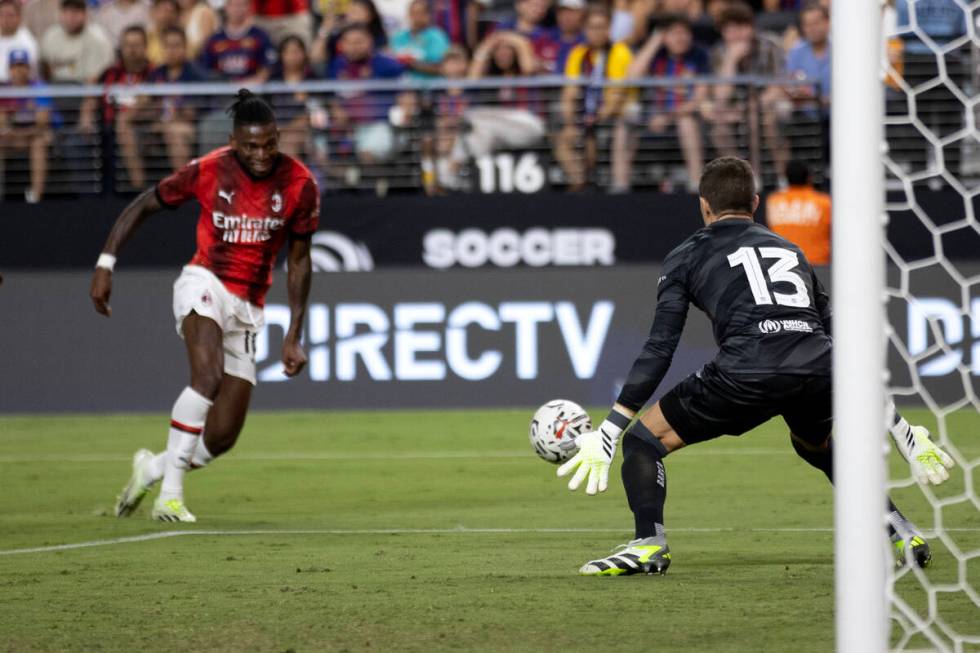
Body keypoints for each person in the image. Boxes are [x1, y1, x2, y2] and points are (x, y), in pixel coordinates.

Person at [554, 157, 955, 576]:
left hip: (747, 372)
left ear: (704, 205)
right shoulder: (790, 250)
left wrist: (611, 428)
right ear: (756, 203)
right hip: (818, 370)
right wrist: (902, 429)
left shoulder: (687, 255)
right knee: (815, 446)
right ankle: (900, 529)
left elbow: (660, 347)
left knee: (643, 441)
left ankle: (647, 545)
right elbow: (845, 344)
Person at [93, 89, 319, 523]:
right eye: (251, 145)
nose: (261, 153)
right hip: (205, 282)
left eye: (269, 143)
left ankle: (153, 468)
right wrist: (106, 263)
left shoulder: (299, 185)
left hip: (249, 304)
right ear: (234, 141)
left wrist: (294, 334)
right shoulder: (210, 170)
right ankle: (170, 498)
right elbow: (145, 204)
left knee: (221, 437)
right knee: (207, 377)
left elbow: (300, 259)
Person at [628, 14, 710, 191]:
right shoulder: (656, 55)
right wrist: (655, 41)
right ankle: (620, 185)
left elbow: (698, 99)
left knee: (686, 122)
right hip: (652, 115)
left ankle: (696, 183)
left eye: (684, 33)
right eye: (673, 33)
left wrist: (668, 116)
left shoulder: (699, 55)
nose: (680, 38)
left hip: (687, 115)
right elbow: (631, 77)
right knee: (623, 125)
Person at [709, 2, 788, 185]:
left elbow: (780, 86)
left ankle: (783, 177)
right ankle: (743, 176)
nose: (737, 35)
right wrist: (731, 60)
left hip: (770, 104)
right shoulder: (719, 52)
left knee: (761, 118)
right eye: (730, 30)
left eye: (742, 27)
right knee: (718, 130)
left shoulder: (769, 46)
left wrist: (753, 106)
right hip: (735, 108)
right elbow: (721, 96)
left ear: (751, 27)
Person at [555, 5, 632, 192]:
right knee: (563, 139)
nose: (597, 32)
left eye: (601, 27)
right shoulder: (578, 54)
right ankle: (581, 183)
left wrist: (595, 117)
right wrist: (570, 119)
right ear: (585, 29)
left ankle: (586, 186)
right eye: (592, 27)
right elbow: (570, 92)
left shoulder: (620, 52)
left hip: (613, 115)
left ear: (608, 29)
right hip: (585, 115)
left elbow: (617, 95)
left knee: (589, 135)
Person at [79, 25, 151, 189]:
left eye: (137, 45)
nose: (132, 50)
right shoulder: (110, 73)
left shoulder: (154, 72)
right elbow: (92, 96)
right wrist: (86, 117)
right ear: (121, 48)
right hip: (106, 126)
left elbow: (155, 102)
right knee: (77, 140)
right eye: (128, 45)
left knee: (123, 129)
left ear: (145, 47)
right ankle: (89, 200)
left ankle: (140, 190)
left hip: (142, 126)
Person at [326, 23, 404, 164]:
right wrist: (336, 109)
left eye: (358, 41)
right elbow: (332, 97)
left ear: (370, 41)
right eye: (348, 42)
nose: (353, 47)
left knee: (369, 152)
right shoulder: (336, 65)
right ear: (342, 44)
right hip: (347, 127)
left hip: (378, 124)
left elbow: (405, 93)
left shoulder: (388, 64)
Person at [147, 26, 206, 171]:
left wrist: (166, 121)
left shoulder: (196, 74)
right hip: (160, 123)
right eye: (167, 46)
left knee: (175, 132)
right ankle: (138, 187)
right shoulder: (156, 73)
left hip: (188, 126)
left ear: (185, 47)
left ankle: (182, 189)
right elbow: (147, 103)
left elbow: (191, 114)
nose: (171, 51)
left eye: (176, 46)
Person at [0, 48, 53, 203]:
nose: (19, 70)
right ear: (9, 69)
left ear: (29, 69)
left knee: (39, 142)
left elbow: (42, 121)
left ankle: (35, 197)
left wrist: (14, 124)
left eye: (22, 66)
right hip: (14, 138)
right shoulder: (4, 90)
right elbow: (2, 122)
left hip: (33, 137)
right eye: (15, 66)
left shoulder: (39, 87)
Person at [765, 160, 830, 265]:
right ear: (809, 177)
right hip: (818, 267)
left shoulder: (773, 201)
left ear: (786, 178)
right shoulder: (824, 203)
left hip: (783, 267)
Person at [200, 0, 275, 82]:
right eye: (234, 5)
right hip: (222, 90)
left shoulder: (260, 36)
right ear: (226, 7)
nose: (238, 9)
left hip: (251, 90)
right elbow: (207, 67)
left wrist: (256, 81)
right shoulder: (215, 39)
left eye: (242, 5)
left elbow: (268, 64)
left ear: (249, 7)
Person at [40, 0, 114, 83]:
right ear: (59, 14)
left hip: (85, 88)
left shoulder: (98, 39)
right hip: (54, 87)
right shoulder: (50, 35)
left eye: (75, 12)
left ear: (86, 14)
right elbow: (45, 69)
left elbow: (96, 78)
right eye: (66, 12)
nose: (70, 17)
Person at [268, 34, 317, 157]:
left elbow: (316, 113)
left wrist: (286, 130)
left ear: (304, 53)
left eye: (296, 51)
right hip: (276, 132)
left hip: (307, 132)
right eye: (288, 52)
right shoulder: (273, 80)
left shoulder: (313, 80)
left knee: (290, 142)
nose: (292, 56)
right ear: (281, 55)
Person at [388, 0, 449, 79]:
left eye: (420, 13)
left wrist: (410, 64)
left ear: (428, 15)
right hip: (400, 87)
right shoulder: (398, 37)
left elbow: (441, 68)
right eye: (413, 13)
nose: (416, 17)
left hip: (430, 88)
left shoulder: (437, 37)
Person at [0, 0, 40, 83]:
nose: (5, 19)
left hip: (15, 90)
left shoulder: (28, 41)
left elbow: (30, 76)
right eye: (1, 14)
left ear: (19, 17)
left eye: (10, 15)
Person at [146, 0, 181, 66]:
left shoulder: (186, 42)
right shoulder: (145, 38)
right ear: (152, 13)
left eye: (171, 12)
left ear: (177, 16)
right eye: (162, 11)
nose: (166, 16)